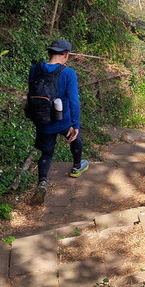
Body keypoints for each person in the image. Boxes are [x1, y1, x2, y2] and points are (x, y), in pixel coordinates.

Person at [30, 39, 88, 205]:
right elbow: (74, 101)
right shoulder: (68, 73)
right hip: (63, 120)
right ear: (66, 55)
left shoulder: (34, 70)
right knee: (75, 137)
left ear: (49, 53)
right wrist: (75, 124)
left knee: (46, 153)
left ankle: (42, 183)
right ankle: (77, 166)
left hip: (42, 120)